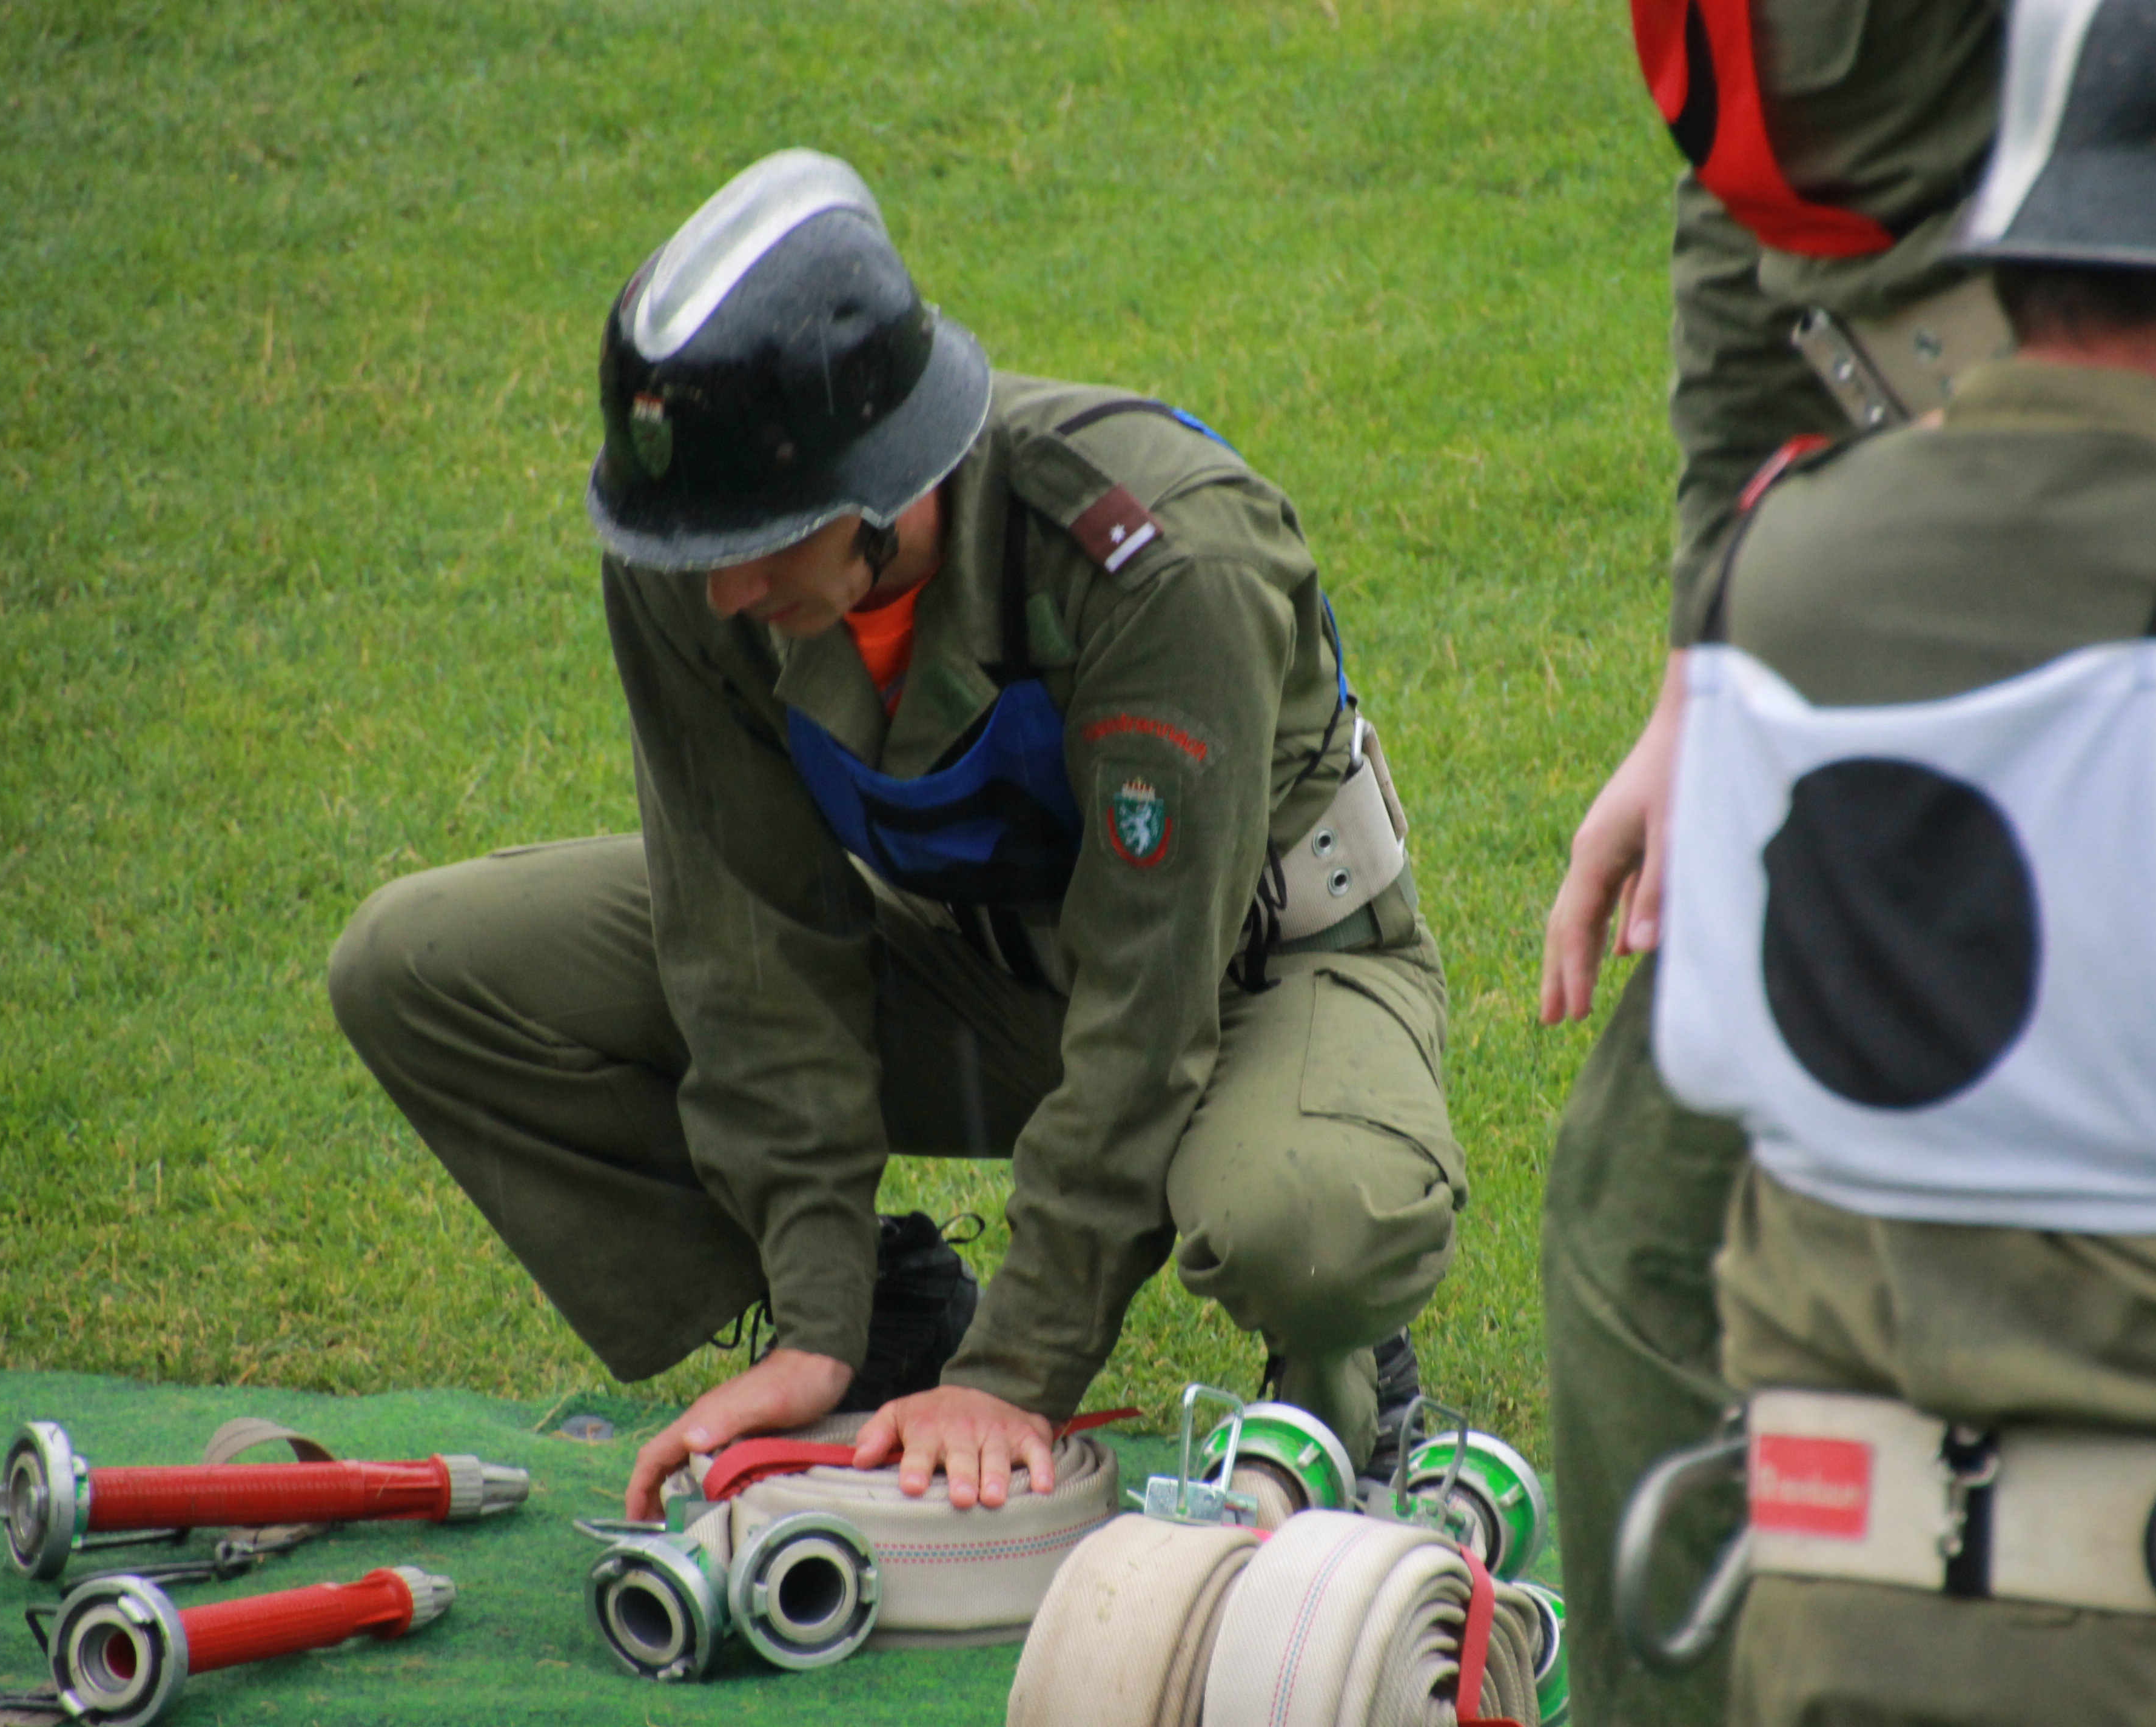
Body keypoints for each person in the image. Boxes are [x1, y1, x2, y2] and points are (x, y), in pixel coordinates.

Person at [1537, 2, 2156, 1718]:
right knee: (1648, 1224)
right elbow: (1744, 203)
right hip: (1961, 536)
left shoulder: (1809, 564)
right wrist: (1700, 677)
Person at [327, 149, 1460, 1520]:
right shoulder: (696, 563)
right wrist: (822, 1316)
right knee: (423, 966)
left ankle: (1347, 1385)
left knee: (1303, 1222)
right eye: (699, 546)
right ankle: (889, 1319)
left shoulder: (1163, 563)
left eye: (758, 540)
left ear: (878, 486)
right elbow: (750, 943)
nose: (724, 592)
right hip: (986, 966)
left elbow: (1151, 1009)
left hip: (1265, 974)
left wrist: (1016, 1370)